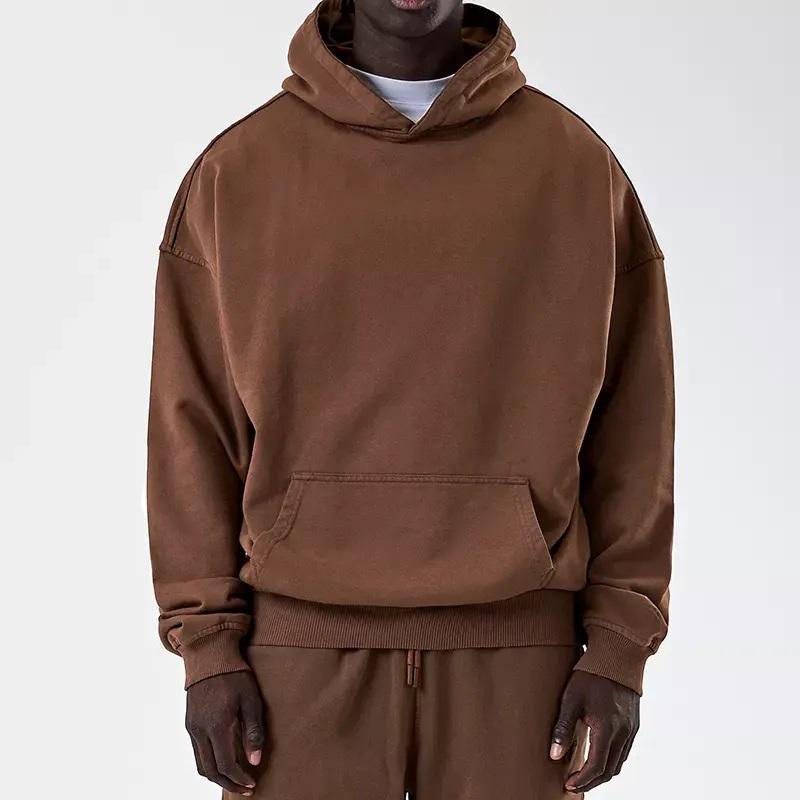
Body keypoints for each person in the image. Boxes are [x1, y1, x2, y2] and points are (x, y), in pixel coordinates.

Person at [146, 0, 674, 797]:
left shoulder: (574, 167)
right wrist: (208, 647)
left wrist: (619, 647)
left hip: (523, 662)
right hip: (295, 664)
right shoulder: (239, 171)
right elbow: (190, 424)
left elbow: (634, 426)